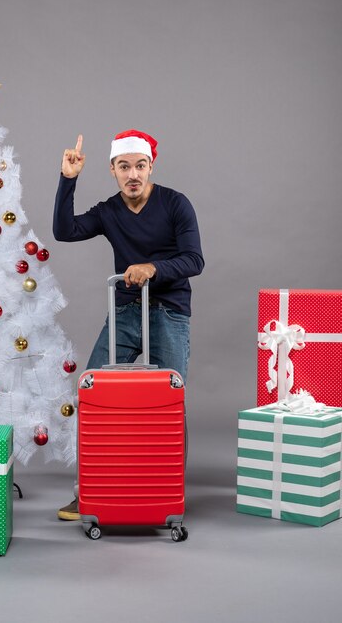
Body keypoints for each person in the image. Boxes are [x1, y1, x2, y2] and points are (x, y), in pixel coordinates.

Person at [53, 130, 204, 520]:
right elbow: (64, 231)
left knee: (171, 403)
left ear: (151, 166)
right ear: (113, 170)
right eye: (124, 167)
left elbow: (194, 260)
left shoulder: (175, 204)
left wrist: (153, 268)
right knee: (94, 396)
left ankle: (169, 491)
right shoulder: (109, 211)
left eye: (140, 165)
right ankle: (88, 490)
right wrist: (68, 179)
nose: (132, 174)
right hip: (124, 313)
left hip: (169, 311)